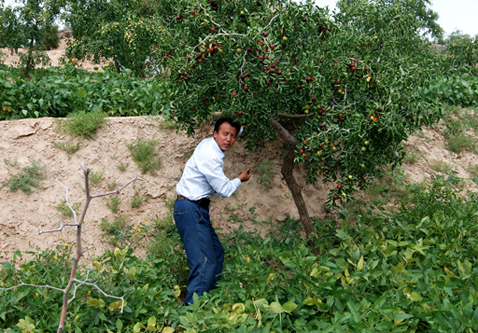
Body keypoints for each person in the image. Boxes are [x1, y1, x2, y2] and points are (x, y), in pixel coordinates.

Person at [174, 117, 250, 305]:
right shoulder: (210, 157)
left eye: (233, 136)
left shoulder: (208, 143)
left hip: (196, 209)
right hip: (190, 210)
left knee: (216, 253)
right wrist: (239, 179)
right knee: (203, 263)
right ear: (215, 134)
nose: (229, 139)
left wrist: (241, 129)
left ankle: (208, 301)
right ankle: (191, 313)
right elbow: (224, 190)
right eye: (225, 134)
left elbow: (232, 130)